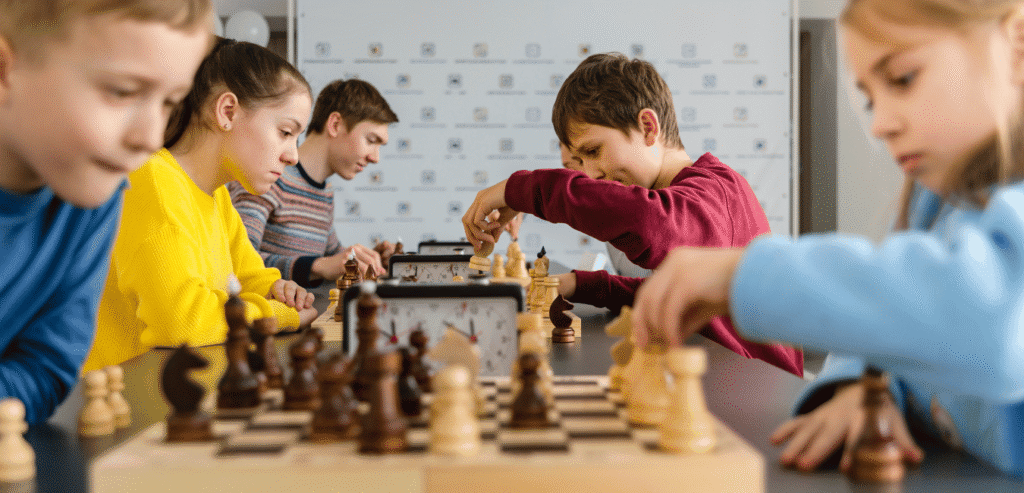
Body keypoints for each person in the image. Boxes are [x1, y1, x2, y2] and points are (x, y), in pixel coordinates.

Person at [632, 0, 1024, 478]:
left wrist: (743, 273)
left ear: (1017, 45)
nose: (881, 125)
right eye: (870, 99)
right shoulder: (936, 199)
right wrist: (862, 385)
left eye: (902, 78)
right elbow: (889, 312)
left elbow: (987, 322)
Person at [462, 53, 803, 377]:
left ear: (648, 127)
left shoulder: (715, 191)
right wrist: (586, 285)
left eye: (594, 152)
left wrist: (521, 190)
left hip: (758, 405)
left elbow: (646, 221)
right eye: (578, 163)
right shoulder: (696, 195)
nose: (591, 176)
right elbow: (680, 295)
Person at [0, 0, 211, 423]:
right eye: (122, 92)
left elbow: (47, 369)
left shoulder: (95, 198)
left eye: (170, 102)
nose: (151, 137)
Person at [83, 38, 317, 372]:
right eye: (285, 132)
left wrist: (279, 290)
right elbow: (181, 322)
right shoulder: (150, 179)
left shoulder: (216, 194)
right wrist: (280, 315)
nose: (293, 155)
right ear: (228, 111)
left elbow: (250, 278)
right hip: (125, 402)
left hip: (170, 387)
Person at [229, 79, 399, 287]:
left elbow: (334, 259)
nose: (375, 158)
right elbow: (235, 262)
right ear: (335, 125)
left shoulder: (324, 191)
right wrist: (316, 266)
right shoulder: (267, 177)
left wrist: (371, 260)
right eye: (371, 141)